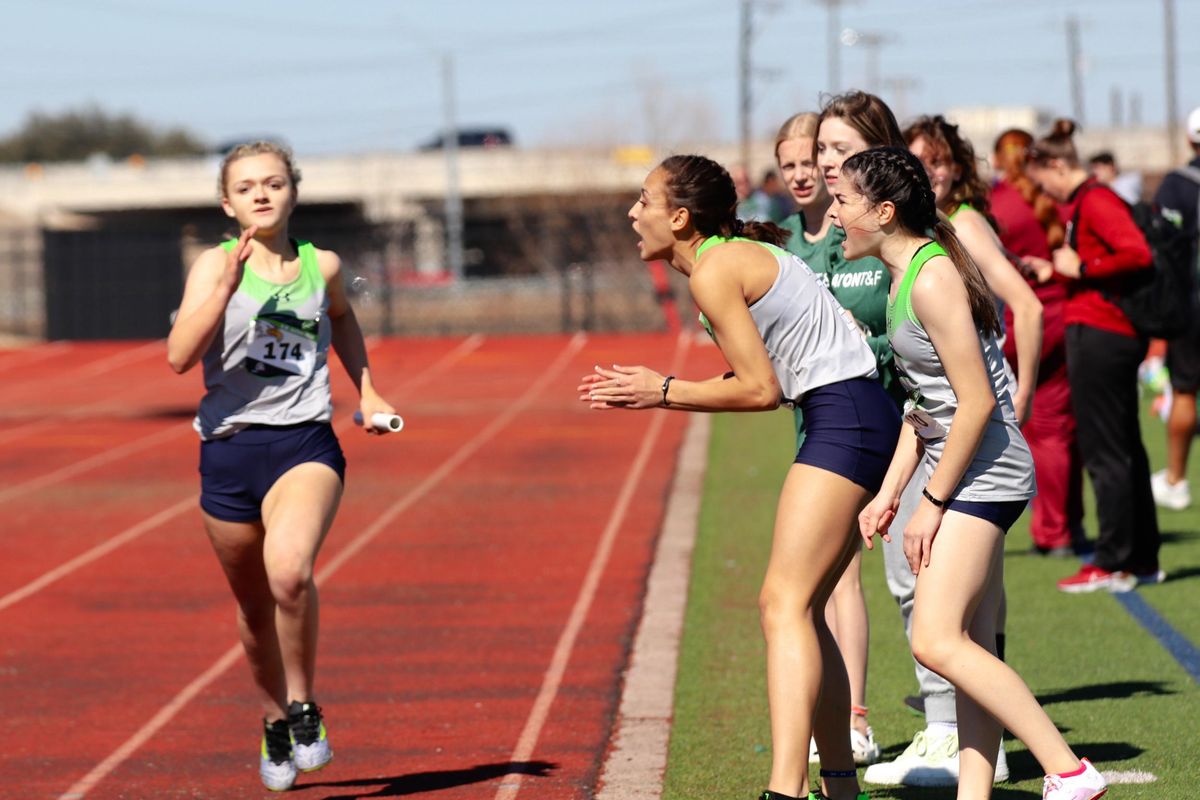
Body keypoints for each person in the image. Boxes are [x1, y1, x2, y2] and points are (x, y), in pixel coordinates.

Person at [580, 153, 900, 800]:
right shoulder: (722, 261)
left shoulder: (716, 270)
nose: (632, 213)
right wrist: (667, 388)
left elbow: (759, 391)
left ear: (678, 216)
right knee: (801, 608)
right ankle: (839, 787)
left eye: (644, 200)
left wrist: (662, 390)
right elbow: (764, 380)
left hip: (846, 418)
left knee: (780, 604)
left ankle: (785, 790)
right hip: (854, 414)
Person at [842, 145, 1108, 800]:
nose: (835, 212)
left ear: (882, 211)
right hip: (960, 472)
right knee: (972, 644)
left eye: (844, 201)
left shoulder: (930, 278)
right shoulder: (903, 279)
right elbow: (925, 407)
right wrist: (891, 492)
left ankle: (1069, 771)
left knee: (934, 639)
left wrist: (928, 503)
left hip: (982, 477)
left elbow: (977, 402)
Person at [166, 141, 397, 791]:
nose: (261, 194)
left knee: (289, 574)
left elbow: (346, 320)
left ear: (293, 190)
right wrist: (226, 291)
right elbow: (180, 357)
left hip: (303, 445)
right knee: (251, 606)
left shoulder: (321, 266)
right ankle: (271, 718)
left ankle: (302, 707)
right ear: (227, 202)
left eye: (273, 183)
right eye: (246, 187)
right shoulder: (214, 267)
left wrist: (369, 391)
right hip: (229, 452)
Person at [781, 93, 910, 769]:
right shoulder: (804, 238)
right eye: (810, 155)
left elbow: (927, 322)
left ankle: (893, 722)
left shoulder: (888, 228)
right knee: (831, 581)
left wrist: (868, 345)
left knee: (919, 585)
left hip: (902, 427)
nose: (820, 167)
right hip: (829, 428)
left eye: (834, 151)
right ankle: (845, 735)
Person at [1024, 119, 1162, 592]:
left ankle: (1114, 560)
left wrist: (1083, 266)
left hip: (1104, 336)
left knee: (1107, 453)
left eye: (1040, 178)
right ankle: (1139, 558)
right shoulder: (1083, 203)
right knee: (1121, 449)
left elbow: (1137, 253)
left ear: (1056, 165)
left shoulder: (1096, 200)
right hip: (1102, 330)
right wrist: (1058, 271)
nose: (1040, 189)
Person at [992, 128, 1086, 556]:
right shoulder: (1055, 199)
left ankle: (1051, 530)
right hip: (1062, 313)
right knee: (1059, 428)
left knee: (1036, 428)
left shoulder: (997, 204)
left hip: (1020, 321)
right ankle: (1067, 524)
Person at [1149, 106, 1200, 513]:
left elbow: (1161, 248)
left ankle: (1177, 479)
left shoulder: (1177, 185)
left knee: (1185, 392)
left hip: (1190, 306)